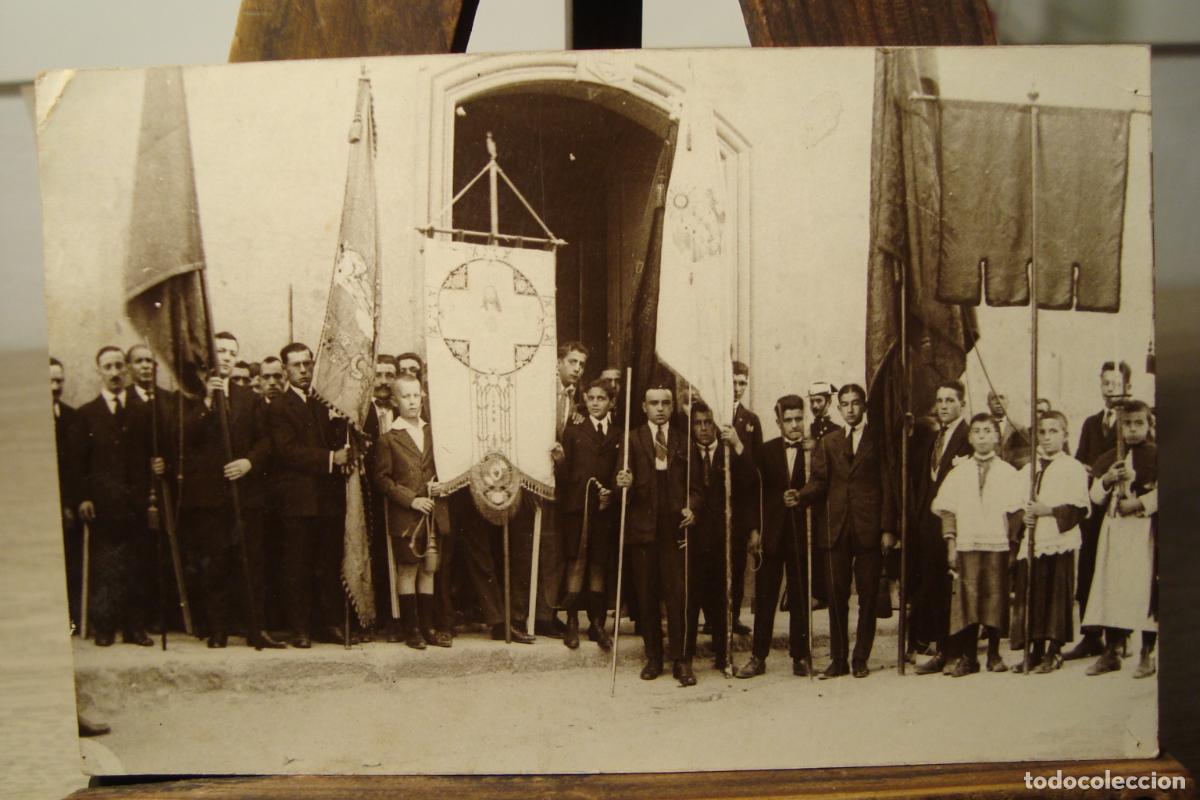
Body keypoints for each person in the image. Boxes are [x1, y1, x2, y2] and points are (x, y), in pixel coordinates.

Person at [178, 331, 283, 649]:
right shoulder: (193, 396)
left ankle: (255, 628)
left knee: (251, 562)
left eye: (230, 352)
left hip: (245, 493)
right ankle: (218, 629)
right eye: (219, 351)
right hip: (210, 496)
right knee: (215, 563)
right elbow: (184, 437)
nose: (224, 356)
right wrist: (209, 402)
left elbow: (266, 441)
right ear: (209, 355)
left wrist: (248, 463)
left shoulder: (249, 398)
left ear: (236, 357)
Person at [797, 384, 894, 679]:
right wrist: (800, 495)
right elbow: (819, 481)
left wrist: (888, 528)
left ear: (864, 406)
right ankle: (838, 659)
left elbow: (889, 486)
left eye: (855, 403)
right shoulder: (829, 442)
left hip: (868, 529)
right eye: (845, 404)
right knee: (836, 595)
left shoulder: (879, 440)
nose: (850, 409)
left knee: (867, 597)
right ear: (838, 408)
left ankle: (860, 657)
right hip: (835, 528)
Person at [267, 342, 352, 647]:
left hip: (327, 499)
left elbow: (336, 440)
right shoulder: (277, 406)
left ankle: (327, 624)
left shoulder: (323, 403)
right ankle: (299, 628)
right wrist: (331, 458)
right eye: (296, 365)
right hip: (298, 501)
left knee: (327, 563)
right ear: (285, 370)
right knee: (298, 566)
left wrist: (342, 430)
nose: (303, 370)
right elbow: (287, 452)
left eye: (307, 364)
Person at [75, 346, 160, 647]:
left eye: (118, 367)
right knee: (106, 566)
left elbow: (153, 453)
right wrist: (84, 497)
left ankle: (135, 628)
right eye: (107, 367)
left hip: (136, 503)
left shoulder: (143, 411)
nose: (114, 373)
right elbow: (80, 462)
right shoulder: (87, 414)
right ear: (99, 371)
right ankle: (105, 626)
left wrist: (156, 470)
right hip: (103, 505)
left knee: (137, 565)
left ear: (126, 370)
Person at [931, 413, 1024, 676]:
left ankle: (994, 654)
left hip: (997, 544)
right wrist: (951, 545)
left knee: (995, 597)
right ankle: (969, 657)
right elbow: (947, 511)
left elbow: (1015, 513)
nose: (982, 436)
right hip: (967, 545)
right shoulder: (958, 473)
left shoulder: (1008, 473)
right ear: (970, 438)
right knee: (968, 599)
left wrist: (1013, 547)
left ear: (997, 436)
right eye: (977, 432)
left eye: (988, 431)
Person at [615, 385, 696, 686]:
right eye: (653, 403)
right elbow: (620, 483)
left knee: (677, 597)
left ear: (673, 406)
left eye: (665, 403)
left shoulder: (682, 441)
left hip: (673, 529)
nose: (659, 408)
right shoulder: (632, 440)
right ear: (643, 406)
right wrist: (624, 481)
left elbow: (697, 487)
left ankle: (681, 660)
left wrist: (693, 508)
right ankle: (654, 658)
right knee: (647, 596)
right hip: (643, 529)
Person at [375, 373, 453, 649]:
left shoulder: (433, 431)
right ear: (395, 401)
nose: (412, 401)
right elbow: (383, 480)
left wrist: (441, 485)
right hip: (406, 515)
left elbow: (443, 468)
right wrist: (411, 500)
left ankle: (428, 627)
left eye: (416, 395)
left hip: (433, 513)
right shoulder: (389, 438)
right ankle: (411, 630)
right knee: (407, 569)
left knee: (428, 569)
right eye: (405, 396)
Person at [1081, 399, 1157, 679]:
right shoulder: (1111, 456)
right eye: (1127, 424)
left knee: (1142, 589)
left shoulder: (1157, 455)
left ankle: (1146, 653)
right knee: (1111, 587)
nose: (1133, 429)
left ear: (1149, 425)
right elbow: (1095, 496)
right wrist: (1108, 479)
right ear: (1119, 427)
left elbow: (1164, 493)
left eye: (1139, 423)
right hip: (1114, 533)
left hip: (1142, 532)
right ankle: (1112, 651)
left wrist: (1138, 503)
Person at [1009, 411, 1090, 673]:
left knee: (1055, 594)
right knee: (1031, 592)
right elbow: (1016, 503)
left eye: (1053, 431)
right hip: (1033, 540)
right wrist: (1024, 517)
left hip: (1058, 539)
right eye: (1042, 432)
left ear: (1065, 435)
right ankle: (1034, 649)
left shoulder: (1073, 468)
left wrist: (1049, 511)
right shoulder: (1029, 469)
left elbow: (1079, 508)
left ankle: (1054, 650)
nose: (1046, 437)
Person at [738, 395, 810, 679]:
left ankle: (800, 656)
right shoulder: (766, 452)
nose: (794, 426)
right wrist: (754, 530)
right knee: (765, 598)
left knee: (800, 597)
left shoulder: (813, 450)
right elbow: (753, 494)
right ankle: (758, 657)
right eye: (788, 420)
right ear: (778, 422)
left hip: (801, 534)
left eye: (798, 419)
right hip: (772, 534)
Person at [1065, 360, 1130, 662]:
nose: (1110, 390)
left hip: (1121, 504)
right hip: (1094, 501)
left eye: (1116, 385)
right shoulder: (1091, 423)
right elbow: (1080, 459)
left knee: (1117, 568)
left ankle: (1119, 636)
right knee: (1089, 565)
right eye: (1106, 384)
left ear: (1126, 387)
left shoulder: (1131, 421)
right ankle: (1091, 636)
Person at [686, 401, 757, 673]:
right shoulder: (687, 452)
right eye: (698, 423)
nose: (703, 429)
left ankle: (723, 653)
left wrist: (738, 446)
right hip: (695, 537)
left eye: (708, 422)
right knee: (693, 596)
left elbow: (752, 482)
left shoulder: (729, 453)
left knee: (723, 597)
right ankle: (687, 657)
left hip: (726, 536)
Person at [910, 380, 973, 674]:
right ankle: (938, 648)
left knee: (954, 586)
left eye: (950, 400)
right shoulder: (935, 436)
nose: (944, 406)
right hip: (930, 522)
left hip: (956, 522)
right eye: (940, 400)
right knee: (933, 585)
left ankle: (957, 651)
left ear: (962, 404)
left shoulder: (969, 436)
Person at [555, 378, 620, 650]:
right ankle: (572, 622)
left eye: (601, 399)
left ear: (611, 402)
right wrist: (559, 462)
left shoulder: (618, 434)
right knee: (577, 562)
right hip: (576, 508)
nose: (595, 403)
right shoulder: (573, 431)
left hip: (603, 510)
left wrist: (612, 492)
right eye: (591, 398)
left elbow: (621, 471)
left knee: (598, 564)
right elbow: (566, 476)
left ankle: (597, 624)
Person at [364, 354, 398, 639]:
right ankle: (382, 616)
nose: (385, 381)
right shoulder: (360, 413)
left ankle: (401, 616)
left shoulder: (407, 412)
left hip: (403, 493)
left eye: (390, 374)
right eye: (379, 375)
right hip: (371, 494)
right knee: (377, 552)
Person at [729, 361, 763, 636]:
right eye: (733, 381)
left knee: (737, 562)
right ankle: (714, 615)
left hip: (740, 503)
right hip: (715, 500)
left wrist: (738, 445)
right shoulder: (708, 414)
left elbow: (757, 471)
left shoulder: (750, 421)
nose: (737, 388)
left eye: (742, 383)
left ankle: (733, 616)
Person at [51, 357, 84, 633]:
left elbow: (77, 467)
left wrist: (69, 504)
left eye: (59, 380)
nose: (54, 386)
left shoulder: (72, 417)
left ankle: (69, 621)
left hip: (65, 506)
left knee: (69, 564)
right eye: (48, 380)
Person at [806, 380, 840, 612]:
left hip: (830, 496)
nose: (815, 405)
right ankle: (816, 592)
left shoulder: (836, 431)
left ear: (828, 402)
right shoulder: (808, 428)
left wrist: (815, 446)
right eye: (812, 401)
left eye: (819, 401)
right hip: (813, 496)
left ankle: (829, 592)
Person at [987, 390, 1032, 469]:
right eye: (994, 398)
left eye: (1001, 397)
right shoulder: (981, 429)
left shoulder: (1019, 429)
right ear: (988, 404)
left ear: (1008, 402)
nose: (998, 402)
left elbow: (1026, 458)